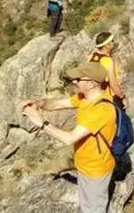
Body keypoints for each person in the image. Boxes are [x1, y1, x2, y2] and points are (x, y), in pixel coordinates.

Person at [19, 62, 116, 213]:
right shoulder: (84, 98)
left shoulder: (101, 109)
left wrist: (41, 123)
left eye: (78, 79)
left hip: (95, 169)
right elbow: (57, 104)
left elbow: (69, 138)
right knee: (88, 206)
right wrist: (38, 103)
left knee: (94, 209)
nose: (74, 82)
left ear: (91, 83)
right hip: (85, 165)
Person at [88, 31, 126, 108]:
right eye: (112, 41)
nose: (113, 42)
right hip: (110, 99)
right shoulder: (108, 61)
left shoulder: (92, 57)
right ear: (107, 45)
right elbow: (113, 84)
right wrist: (123, 97)